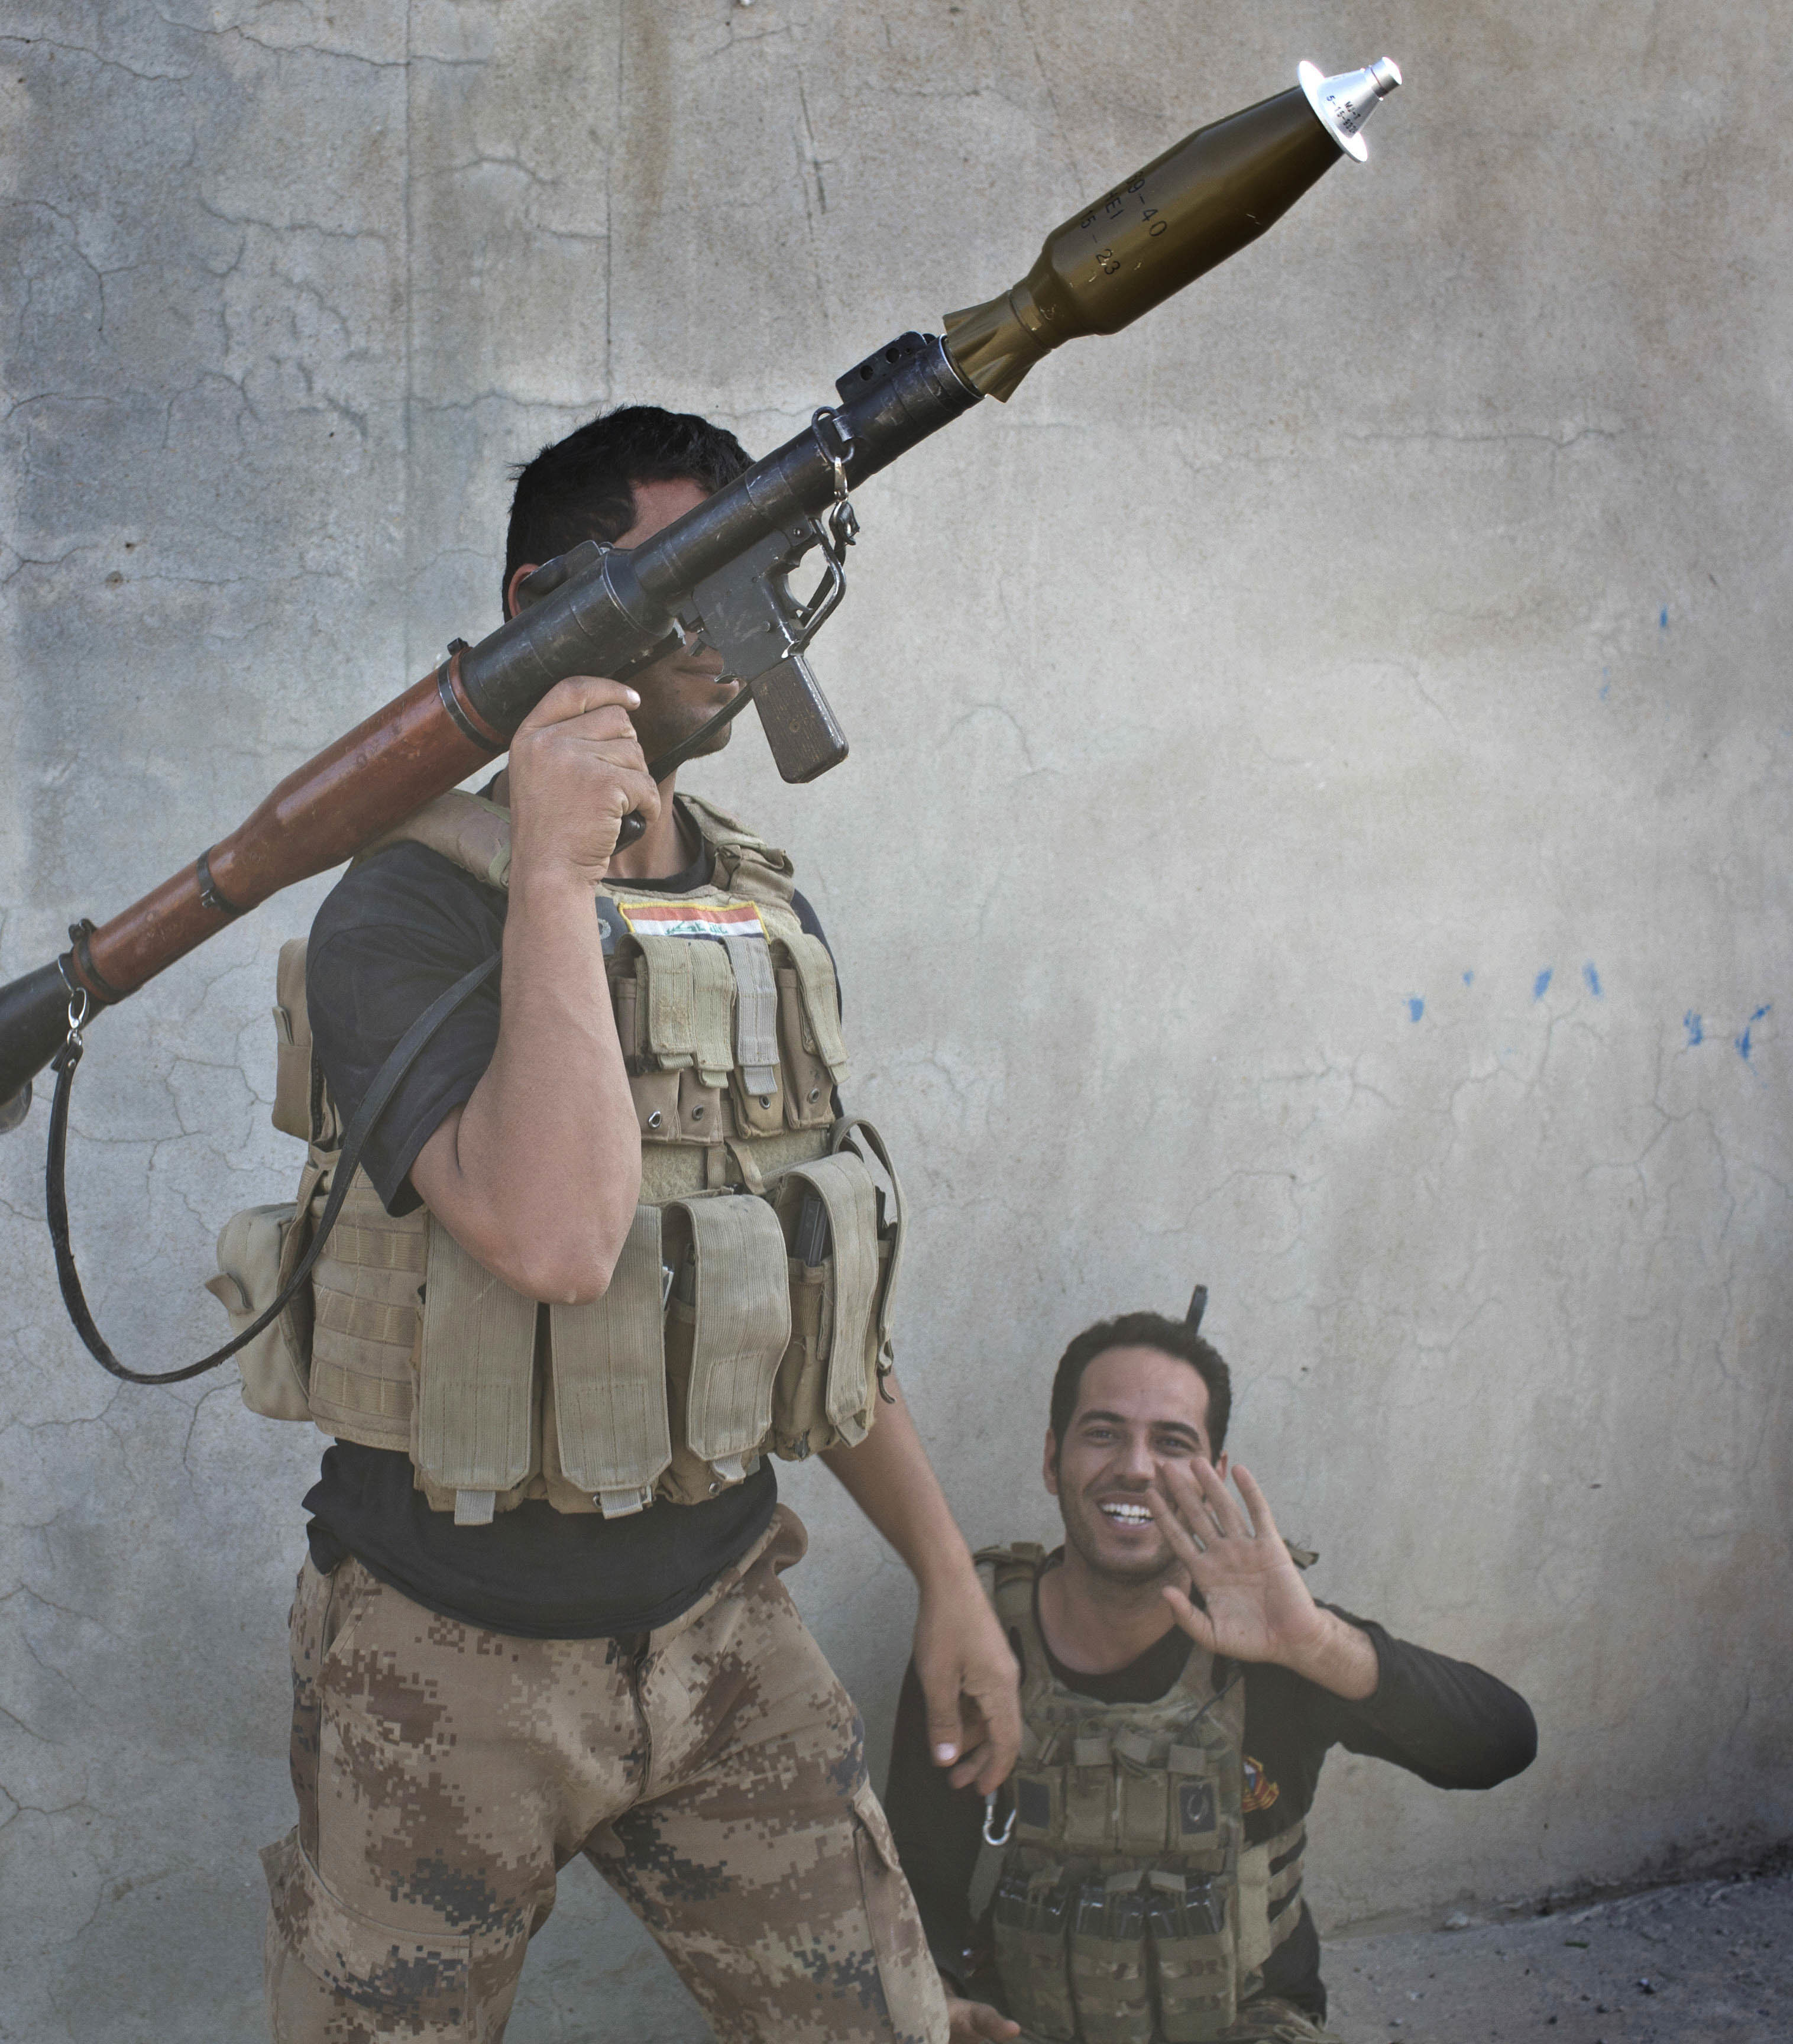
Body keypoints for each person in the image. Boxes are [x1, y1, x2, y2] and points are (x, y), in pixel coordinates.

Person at [243, 408, 1019, 2043]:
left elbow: (801, 1282)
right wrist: (547, 875)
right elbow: (555, 1241)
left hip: (730, 1629)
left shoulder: (751, 903)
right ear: (555, 599)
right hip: (444, 1668)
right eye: (691, 575)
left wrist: (947, 1578)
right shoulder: (402, 907)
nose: (736, 628)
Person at [885, 1307, 1538, 2043]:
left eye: (1172, 1442)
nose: (1135, 1466)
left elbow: (1503, 1744)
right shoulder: (984, 1643)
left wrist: (1316, 1643)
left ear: (1214, 1478)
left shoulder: (1277, 1640)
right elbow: (917, 1871)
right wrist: (939, 1992)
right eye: (1103, 1432)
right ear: (1050, 1459)